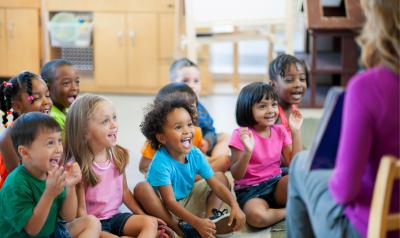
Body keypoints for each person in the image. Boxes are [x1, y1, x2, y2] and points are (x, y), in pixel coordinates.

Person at [286, 0, 400, 237]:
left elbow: (344, 191)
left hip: (370, 227)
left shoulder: (368, 87)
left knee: (299, 164)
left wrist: (339, 166)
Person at [136, 95, 246, 238]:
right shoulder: (160, 162)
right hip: (166, 208)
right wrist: (195, 222)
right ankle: (180, 229)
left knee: (220, 177)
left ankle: (209, 223)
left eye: (189, 124)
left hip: (187, 199)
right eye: (178, 127)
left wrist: (235, 206)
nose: (187, 130)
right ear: (162, 138)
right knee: (141, 188)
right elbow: (169, 202)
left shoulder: (195, 153)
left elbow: (216, 185)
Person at [65, 94, 170, 238]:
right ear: (85, 132)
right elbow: (81, 212)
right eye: (105, 121)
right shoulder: (77, 166)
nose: (114, 125)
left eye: (114, 118)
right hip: (95, 225)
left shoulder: (117, 155)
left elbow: (125, 193)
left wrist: (143, 216)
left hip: (116, 218)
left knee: (150, 223)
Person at [0, 112, 101, 237]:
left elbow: (68, 216)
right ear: (25, 152)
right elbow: (31, 229)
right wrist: (49, 193)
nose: (59, 149)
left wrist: (70, 187)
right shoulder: (15, 184)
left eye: (59, 141)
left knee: (91, 222)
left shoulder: (52, 174)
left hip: (50, 233)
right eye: (50, 143)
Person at [229, 82, 303, 228]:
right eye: (262, 106)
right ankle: (290, 211)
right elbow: (236, 174)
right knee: (257, 217)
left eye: (274, 105)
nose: (270, 110)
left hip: (276, 183)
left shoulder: (280, 130)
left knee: (301, 178)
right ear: (247, 109)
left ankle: (286, 207)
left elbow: (295, 165)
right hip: (251, 191)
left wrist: (295, 132)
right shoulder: (240, 134)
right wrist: (247, 151)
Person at [139, 82, 230, 176]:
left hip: (191, 173)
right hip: (169, 180)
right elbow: (143, 167)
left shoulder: (196, 132)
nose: (191, 114)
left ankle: (196, 178)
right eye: (185, 110)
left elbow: (197, 158)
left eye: (193, 109)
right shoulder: (156, 139)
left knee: (224, 160)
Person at [0, 71, 52, 188]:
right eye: (37, 98)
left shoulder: (49, 129)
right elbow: (18, 183)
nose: (46, 102)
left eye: (47, 95)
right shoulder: (8, 137)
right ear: (18, 106)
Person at [169, 58, 230, 158]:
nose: (192, 85)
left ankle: (215, 160)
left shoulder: (200, 108)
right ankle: (210, 164)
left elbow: (210, 130)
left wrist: (207, 141)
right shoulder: (171, 109)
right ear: (172, 85)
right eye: (185, 81)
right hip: (183, 148)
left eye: (196, 81)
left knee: (226, 137)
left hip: (201, 145)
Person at [268, 53, 308, 139]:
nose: (298, 84)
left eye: (302, 79)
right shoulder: (274, 116)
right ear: (273, 86)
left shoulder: (293, 106)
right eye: (289, 80)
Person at [41, 59, 80, 133]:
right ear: (47, 87)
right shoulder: (52, 118)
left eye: (77, 82)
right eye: (66, 83)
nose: (74, 88)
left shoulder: (66, 110)